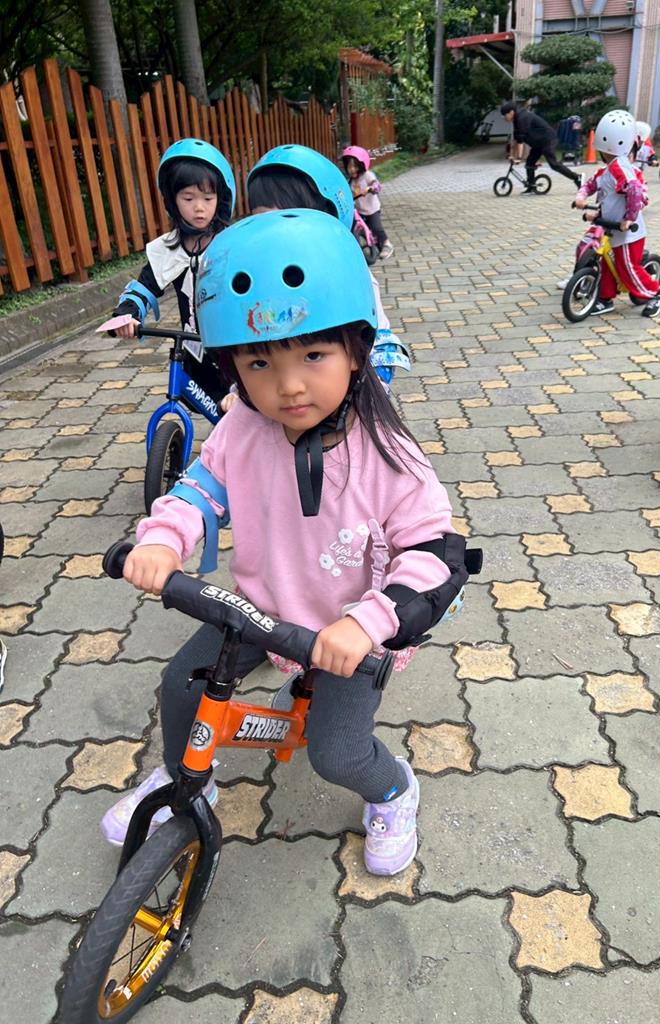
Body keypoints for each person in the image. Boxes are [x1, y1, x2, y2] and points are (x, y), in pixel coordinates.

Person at [100, 209, 479, 876]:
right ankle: (186, 780)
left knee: (336, 753)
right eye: (259, 362)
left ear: (356, 349)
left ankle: (394, 791)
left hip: (348, 633)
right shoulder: (242, 428)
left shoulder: (389, 455)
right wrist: (162, 540)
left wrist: (368, 623)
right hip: (262, 611)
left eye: (313, 355)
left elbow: (433, 554)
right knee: (182, 685)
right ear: (232, 367)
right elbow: (200, 489)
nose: (289, 385)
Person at [246, 144, 410, 388]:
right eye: (264, 221)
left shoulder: (349, 275)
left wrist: (367, 393)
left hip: (339, 394)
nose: (277, 233)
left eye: (290, 219)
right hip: (277, 391)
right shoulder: (255, 276)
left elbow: (380, 344)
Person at [110, 138, 236, 411]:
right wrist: (127, 313)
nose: (199, 207)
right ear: (172, 200)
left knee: (237, 412)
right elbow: (144, 288)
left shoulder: (232, 245)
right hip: (194, 353)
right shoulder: (169, 248)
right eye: (188, 199)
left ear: (221, 199)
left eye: (208, 198)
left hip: (235, 354)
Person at [574, 110, 660, 316]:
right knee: (606, 262)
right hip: (611, 227)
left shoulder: (620, 168)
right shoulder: (609, 169)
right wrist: (581, 197)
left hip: (628, 232)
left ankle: (657, 293)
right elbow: (591, 184)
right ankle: (605, 299)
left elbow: (635, 190)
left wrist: (629, 218)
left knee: (628, 267)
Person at [500, 100, 582, 193]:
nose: (504, 118)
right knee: (529, 163)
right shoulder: (516, 120)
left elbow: (520, 141)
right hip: (538, 143)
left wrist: (519, 158)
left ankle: (577, 177)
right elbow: (516, 139)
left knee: (554, 164)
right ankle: (531, 186)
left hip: (548, 140)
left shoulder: (522, 118)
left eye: (505, 115)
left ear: (511, 112)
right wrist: (511, 155)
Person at [342, 145, 394, 259]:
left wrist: (371, 188)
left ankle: (387, 244)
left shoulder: (367, 175)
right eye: (349, 167)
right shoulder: (351, 181)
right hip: (359, 210)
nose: (352, 169)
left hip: (372, 209)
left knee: (376, 227)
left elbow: (377, 185)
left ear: (361, 165)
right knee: (353, 227)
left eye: (355, 166)